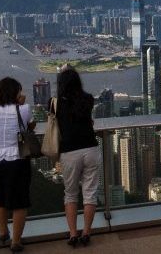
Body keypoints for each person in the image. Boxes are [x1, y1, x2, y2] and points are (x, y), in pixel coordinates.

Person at [52, 68, 101, 247]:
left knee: (70, 194)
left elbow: (55, 122)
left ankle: (73, 234)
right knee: (90, 193)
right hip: (91, 149)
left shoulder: (54, 103)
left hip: (69, 152)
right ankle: (86, 232)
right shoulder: (88, 99)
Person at [0, 77, 34, 252]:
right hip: (17, 159)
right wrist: (21, 103)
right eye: (19, 91)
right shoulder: (23, 109)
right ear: (14, 93)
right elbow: (28, 125)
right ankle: (16, 241)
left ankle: (1, 231)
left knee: (1, 197)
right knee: (19, 201)